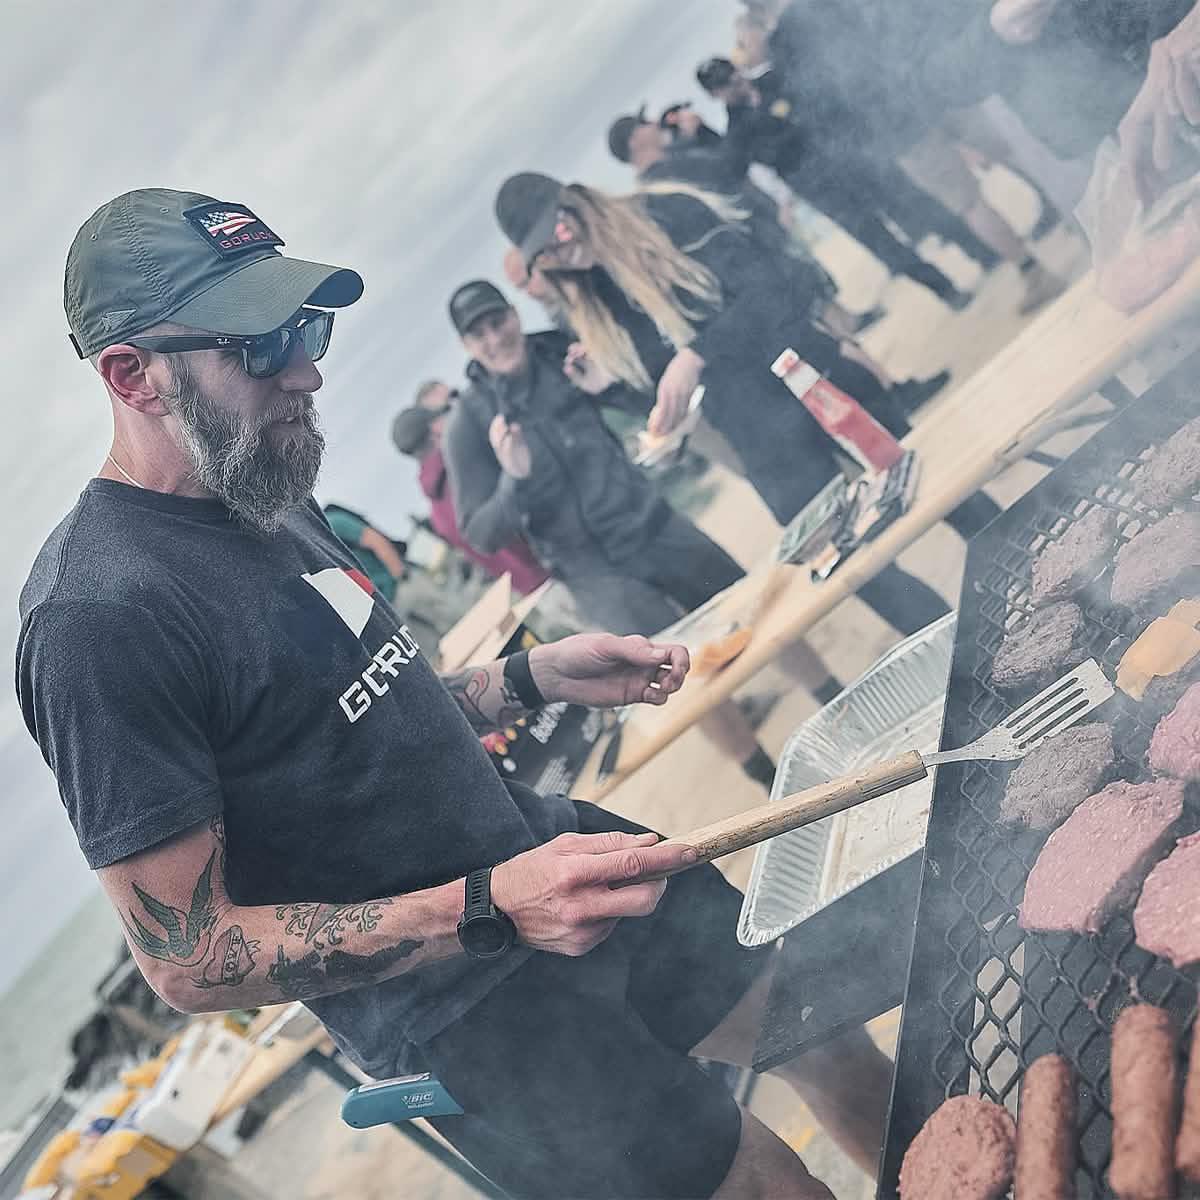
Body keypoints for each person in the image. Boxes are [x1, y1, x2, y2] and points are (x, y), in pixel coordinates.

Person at [17, 187, 887, 1200]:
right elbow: (189, 957)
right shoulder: (97, 620)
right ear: (133, 375)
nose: (307, 367)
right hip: (465, 1019)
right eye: (257, 346)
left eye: (307, 325)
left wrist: (520, 679)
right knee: (753, 1175)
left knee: (822, 1030)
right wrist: (484, 906)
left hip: (557, 851)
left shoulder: (265, 487)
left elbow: (351, 707)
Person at [495, 172, 999, 638]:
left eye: (558, 231)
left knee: (941, 493)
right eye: (545, 254)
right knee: (853, 565)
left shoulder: (669, 214)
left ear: (578, 202)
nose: (561, 250)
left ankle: (1026, 583)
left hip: (813, 375)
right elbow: (666, 390)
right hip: (759, 439)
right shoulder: (592, 299)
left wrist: (696, 355)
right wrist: (608, 387)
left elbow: (772, 290)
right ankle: (960, 654)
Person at [440, 279, 839, 786]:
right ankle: (772, 778)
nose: (495, 338)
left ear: (513, 315)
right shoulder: (468, 426)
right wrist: (512, 478)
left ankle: (836, 696)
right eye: (479, 334)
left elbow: (653, 410)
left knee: (756, 610)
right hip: (596, 575)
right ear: (466, 347)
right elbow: (482, 534)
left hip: (652, 522)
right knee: (673, 675)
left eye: (498, 321)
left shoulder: (560, 351)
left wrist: (605, 387)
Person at [391, 399, 551, 597]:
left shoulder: (437, 513)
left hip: (531, 592)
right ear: (435, 428)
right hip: (560, 568)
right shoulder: (470, 469)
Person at [321, 502, 408, 599]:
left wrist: (401, 577)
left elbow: (375, 541)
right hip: (387, 601)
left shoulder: (333, 523)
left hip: (400, 585)